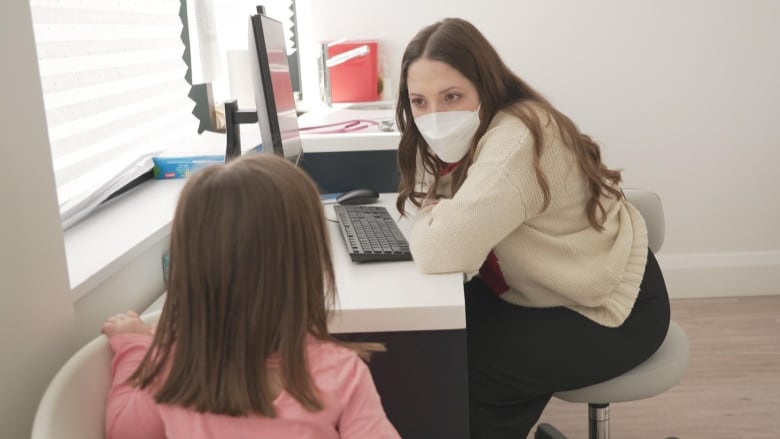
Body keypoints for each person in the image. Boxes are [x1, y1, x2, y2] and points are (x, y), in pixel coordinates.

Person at [394, 17, 671, 438]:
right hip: (558, 284)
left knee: (464, 365)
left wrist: (435, 216)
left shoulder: (516, 140)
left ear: (484, 85)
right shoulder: (486, 130)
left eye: (452, 96)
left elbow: (443, 249)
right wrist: (440, 216)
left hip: (612, 305)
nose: (435, 116)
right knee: (432, 341)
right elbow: (443, 218)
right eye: (419, 102)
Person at [101, 154, 400, 439]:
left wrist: (135, 347)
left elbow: (124, 432)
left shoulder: (171, 364)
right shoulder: (341, 372)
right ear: (308, 266)